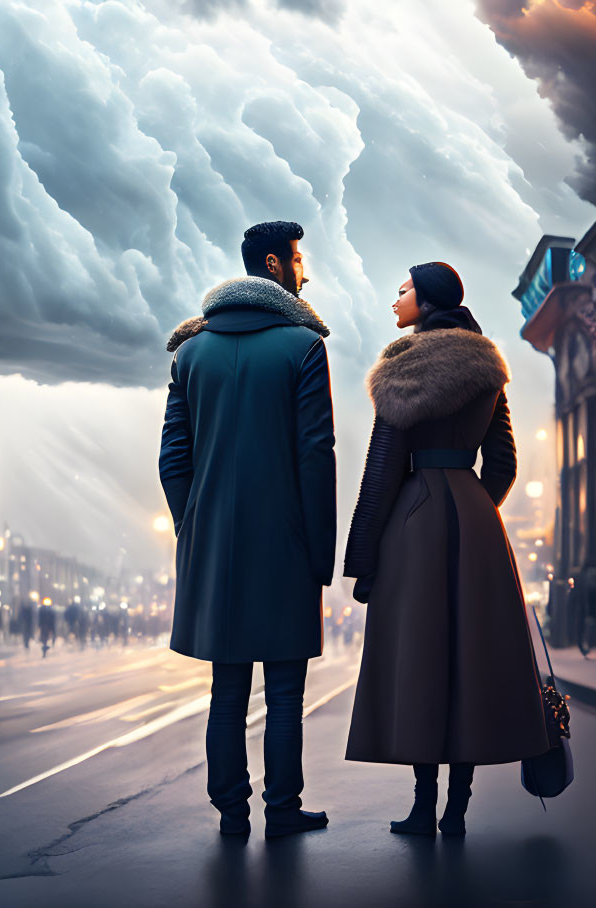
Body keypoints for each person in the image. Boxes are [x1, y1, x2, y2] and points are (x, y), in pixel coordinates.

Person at [343, 262, 549, 837]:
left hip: (416, 525)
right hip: (477, 522)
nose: (396, 300)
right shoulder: (487, 367)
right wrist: (477, 508)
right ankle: (458, 808)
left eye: (403, 289)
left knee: (423, 661)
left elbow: (382, 471)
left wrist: (363, 561)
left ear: (427, 301)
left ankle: (422, 806)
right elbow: (503, 461)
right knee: (469, 664)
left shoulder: (402, 369)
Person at [160, 220, 336, 839]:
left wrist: (196, 527)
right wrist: (322, 551)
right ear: (273, 264)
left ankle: (231, 812)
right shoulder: (303, 347)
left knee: (226, 689)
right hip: (285, 543)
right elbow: (317, 454)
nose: (304, 270)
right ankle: (282, 811)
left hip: (215, 547)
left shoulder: (190, 352)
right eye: (297, 259)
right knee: (286, 690)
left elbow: (172, 458)